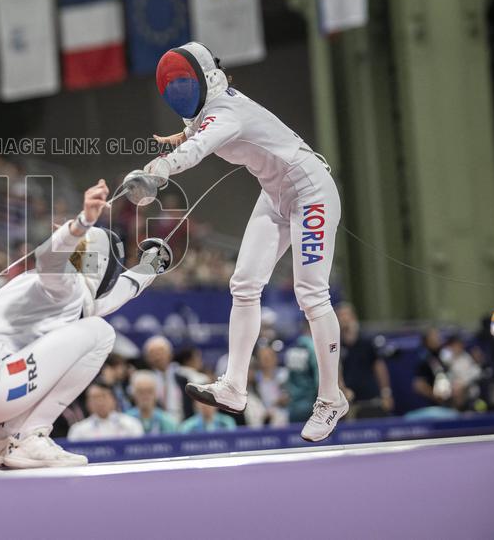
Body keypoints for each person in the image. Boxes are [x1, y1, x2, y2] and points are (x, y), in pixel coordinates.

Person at [138, 42, 347, 441]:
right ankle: (234, 386)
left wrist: (161, 167)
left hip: (311, 192)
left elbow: (203, 143)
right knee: (244, 284)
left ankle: (331, 398)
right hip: (275, 197)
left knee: (311, 295)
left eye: (183, 83)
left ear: (203, 80)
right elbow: (204, 129)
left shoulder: (224, 112)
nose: (179, 92)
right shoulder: (219, 107)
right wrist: (183, 133)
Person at [0, 180, 171, 469]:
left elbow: (121, 292)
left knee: (94, 328)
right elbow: (49, 261)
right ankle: (31, 436)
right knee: (102, 332)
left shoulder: (75, 300)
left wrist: (151, 265)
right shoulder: (64, 286)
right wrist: (82, 222)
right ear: (102, 265)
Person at [337, 303, 393, 418]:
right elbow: (336, 371)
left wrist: (386, 393)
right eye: (341, 316)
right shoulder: (335, 344)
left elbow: (379, 367)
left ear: (353, 317)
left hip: (371, 398)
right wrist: (342, 391)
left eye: (346, 315)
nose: (344, 319)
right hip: (349, 402)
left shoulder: (367, 341)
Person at [67, 382, 144, 441]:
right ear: (87, 403)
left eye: (104, 396)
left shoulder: (131, 424)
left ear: (113, 400)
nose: (100, 401)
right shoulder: (78, 430)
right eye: (95, 398)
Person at [141, 336, 186, 422]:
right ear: (147, 358)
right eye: (153, 353)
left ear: (170, 354)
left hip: (181, 423)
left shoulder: (182, 377)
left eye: (161, 352)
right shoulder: (143, 380)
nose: (158, 356)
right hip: (157, 424)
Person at [126, 370, 181, 435]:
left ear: (156, 393)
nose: (145, 396)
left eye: (149, 391)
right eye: (140, 392)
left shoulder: (168, 422)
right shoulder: (125, 421)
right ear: (133, 394)